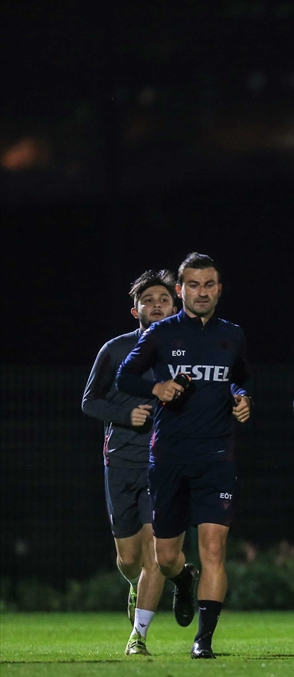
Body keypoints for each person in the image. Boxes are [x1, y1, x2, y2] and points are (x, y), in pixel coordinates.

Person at [116, 253, 252, 659]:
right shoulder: (162, 333)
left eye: (209, 284)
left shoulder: (233, 335)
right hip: (169, 457)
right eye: (194, 285)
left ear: (219, 289)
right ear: (181, 290)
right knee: (165, 557)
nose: (202, 292)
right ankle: (183, 580)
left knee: (213, 549)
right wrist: (155, 389)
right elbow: (125, 376)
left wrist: (242, 397)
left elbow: (241, 379)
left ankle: (203, 641)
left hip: (217, 457)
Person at [82, 270, 177, 656]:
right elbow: (89, 401)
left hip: (164, 463)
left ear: (175, 307)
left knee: (155, 553)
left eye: (164, 300)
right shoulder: (116, 350)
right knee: (128, 558)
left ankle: (138, 636)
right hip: (120, 461)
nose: (156, 305)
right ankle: (134, 585)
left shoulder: (185, 352)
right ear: (135, 309)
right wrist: (126, 416)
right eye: (148, 300)